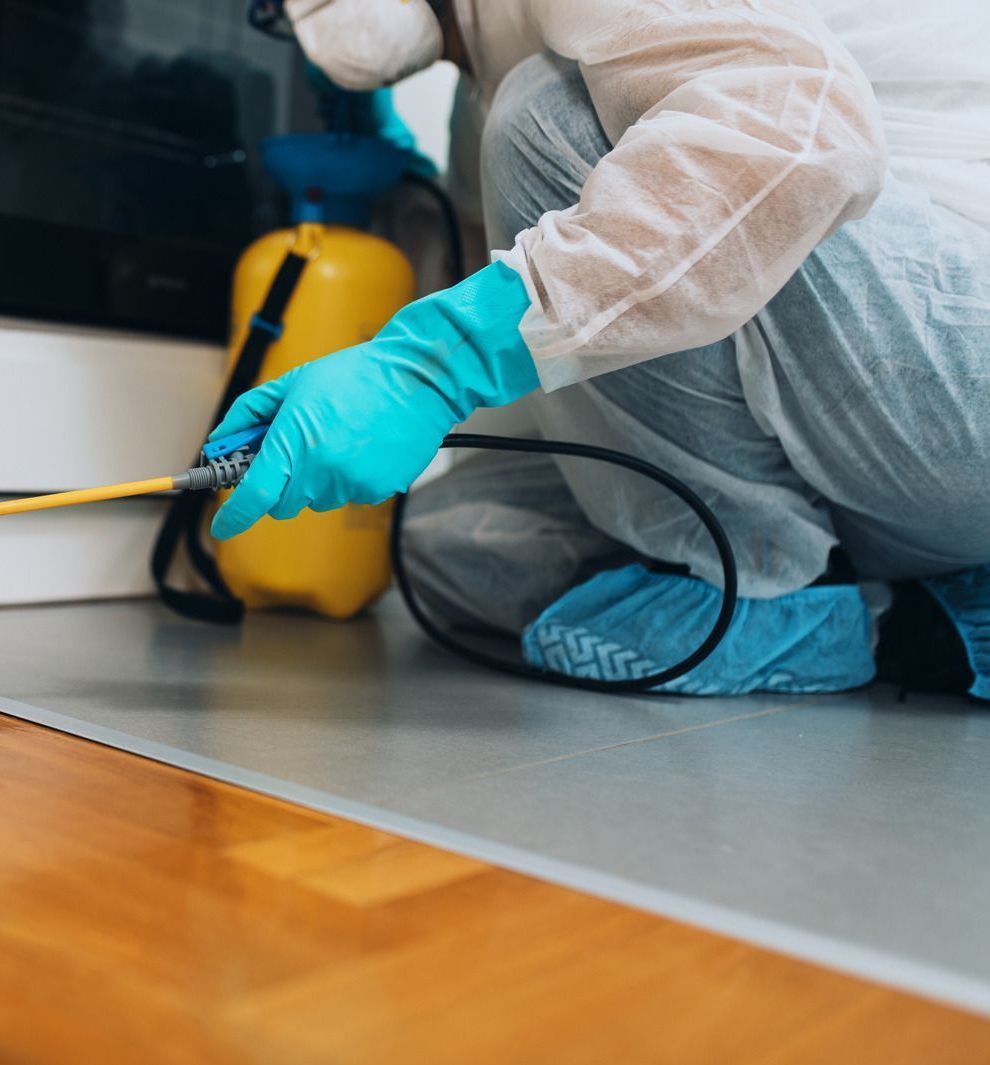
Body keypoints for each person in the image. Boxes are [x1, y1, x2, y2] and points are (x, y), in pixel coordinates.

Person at [212, 0, 990, 697]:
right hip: (871, 446)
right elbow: (574, 331)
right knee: (444, 543)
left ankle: (775, 597)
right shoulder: (483, 68)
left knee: (549, 116)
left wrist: (436, 361)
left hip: (951, 373)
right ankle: (900, 612)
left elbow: (798, 129)